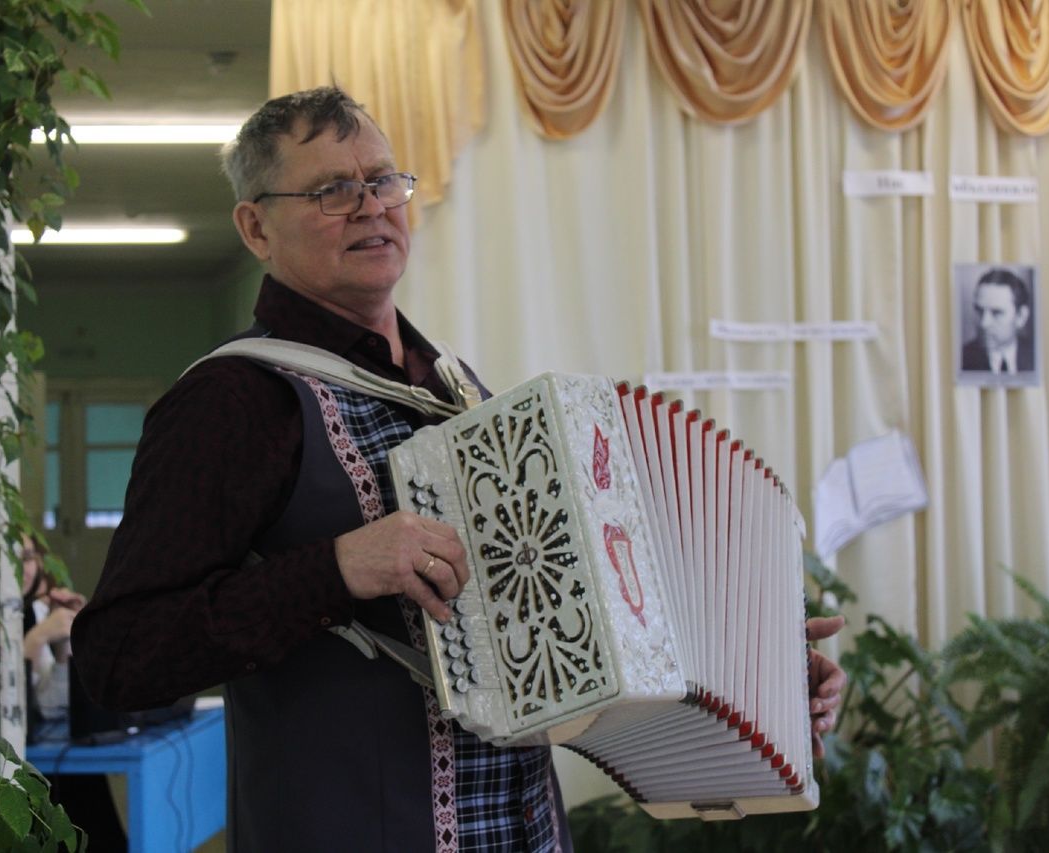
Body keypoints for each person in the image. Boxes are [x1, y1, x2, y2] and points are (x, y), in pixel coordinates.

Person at [70, 87, 847, 852]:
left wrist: (756, 669)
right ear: (255, 226)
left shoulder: (459, 391)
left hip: (524, 830)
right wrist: (336, 568)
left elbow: (559, 629)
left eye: (382, 180)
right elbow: (120, 657)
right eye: (332, 190)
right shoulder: (231, 399)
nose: (371, 206)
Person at [21, 537, 127, 850]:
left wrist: (68, 643)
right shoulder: (15, 619)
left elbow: (55, 703)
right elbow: (31, 707)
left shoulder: (44, 609)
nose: (22, 570)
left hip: (62, 755)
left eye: (27, 558)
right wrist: (36, 639)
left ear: (41, 560)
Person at [961, 267, 1034, 374]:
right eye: (979, 311)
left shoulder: (1036, 356)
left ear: (1021, 317)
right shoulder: (962, 359)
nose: (984, 323)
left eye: (996, 313)